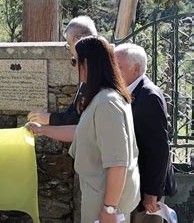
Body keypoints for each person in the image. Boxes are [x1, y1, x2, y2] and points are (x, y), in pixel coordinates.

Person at [27, 36, 140, 222]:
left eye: (74, 61)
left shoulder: (107, 103)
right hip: (101, 197)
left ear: (86, 63)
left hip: (104, 200)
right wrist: (42, 130)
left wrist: (109, 209)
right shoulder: (104, 98)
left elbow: (118, 163)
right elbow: (83, 132)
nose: (74, 67)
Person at [114, 43, 176, 223]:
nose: (114, 70)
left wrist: (152, 192)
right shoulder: (129, 91)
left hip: (148, 190)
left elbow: (158, 149)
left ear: (137, 68)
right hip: (137, 186)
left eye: (119, 66)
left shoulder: (149, 96)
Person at [27, 16, 97, 126]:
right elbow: (74, 112)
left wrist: (49, 119)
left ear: (78, 40)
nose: (70, 50)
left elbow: (81, 122)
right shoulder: (91, 66)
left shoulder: (94, 72)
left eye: (69, 44)